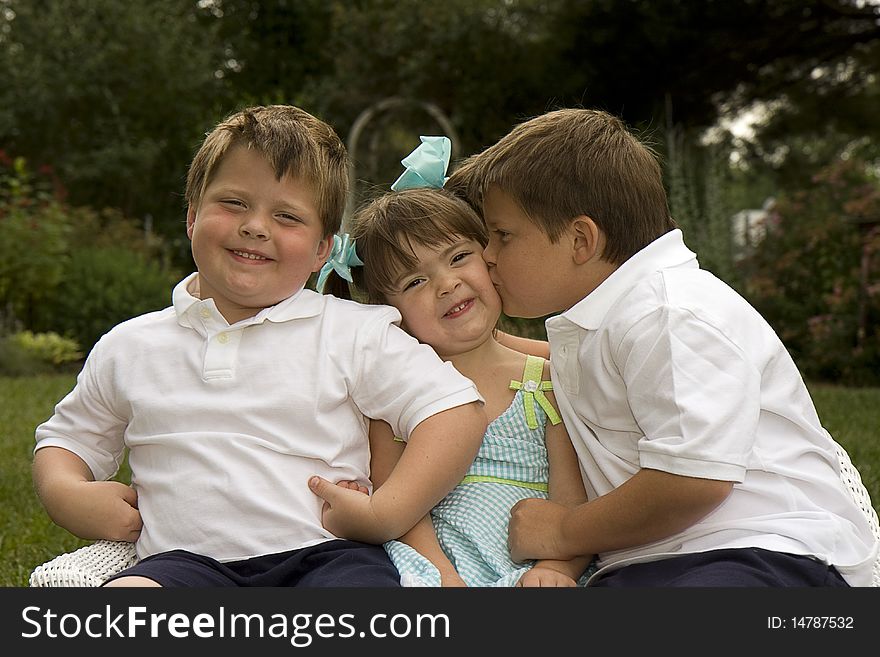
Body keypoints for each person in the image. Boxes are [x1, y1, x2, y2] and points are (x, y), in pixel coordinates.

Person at [31, 105, 487, 587]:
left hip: (328, 558)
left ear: (322, 250)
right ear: (192, 217)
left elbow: (454, 410)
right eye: (233, 203)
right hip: (183, 565)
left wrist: (384, 513)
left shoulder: (352, 332)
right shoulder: (131, 346)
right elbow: (67, 441)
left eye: (287, 215)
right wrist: (69, 495)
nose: (256, 226)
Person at [448, 107, 880, 586]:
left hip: (760, 551)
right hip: (654, 562)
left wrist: (564, 531)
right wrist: (453, 341)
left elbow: (693, 482)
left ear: (580, 240)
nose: (487, 254)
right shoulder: (608, 320)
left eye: (502, 235)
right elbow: (571, 367)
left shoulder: (670, 313)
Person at [317, 136, 592, 586]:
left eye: (460, 257)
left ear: (490, 257)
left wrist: (555, 569)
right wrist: (442, 574)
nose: (446, 284)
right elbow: (394, 499)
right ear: (390, 313)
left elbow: (570, 497)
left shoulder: (544, 380)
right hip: (433, 567)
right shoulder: (398, 393)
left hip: (531, 566)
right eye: (415, 281)